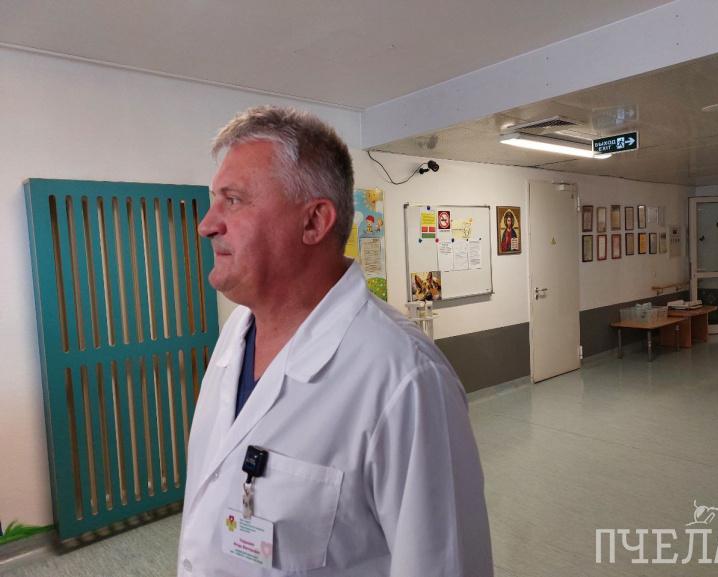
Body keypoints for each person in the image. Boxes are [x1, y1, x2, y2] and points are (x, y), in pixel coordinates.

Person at [177, 106, 492, 576]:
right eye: (213, 201)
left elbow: (442, 564)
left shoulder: (404, 379)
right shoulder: (235, 335)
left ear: (313, 222)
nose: (207, 224)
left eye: (234, 200)